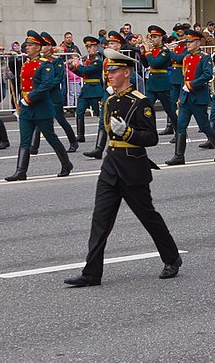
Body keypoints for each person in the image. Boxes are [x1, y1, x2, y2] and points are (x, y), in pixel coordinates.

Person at [62, 51, 181, 287]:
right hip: (111, 167)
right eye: (108, 71)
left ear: (127, 73)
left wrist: (128, 133)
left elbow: (151, 138)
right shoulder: (111, 100)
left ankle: (172, 258)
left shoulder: (140, 102)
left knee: (148, 217)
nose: (110, 75)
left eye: (114, 71)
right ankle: (91, 273)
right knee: (100, 221)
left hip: (133, 167)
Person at [6, 30, 73, 181]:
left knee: (51, 138)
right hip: (27, 108)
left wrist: (29, 98)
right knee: (25, 140)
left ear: (38, 47)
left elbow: (46, 85)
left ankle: (66, 164)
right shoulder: (25, 64)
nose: (27, 47)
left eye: (30, 45)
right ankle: (20, 171)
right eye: (27, 45)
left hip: (41, 107)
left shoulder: (46, 64)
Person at [165, 26, 215, 166]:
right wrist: (181, 94)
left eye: (191, 42)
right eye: (187, 42)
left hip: (198, 97)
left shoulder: (204, 58)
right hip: (186, 97)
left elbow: (207, 74)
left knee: (204, 126)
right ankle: (179, 155)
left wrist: (192, 84)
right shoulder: (186, 58)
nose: (188, 44)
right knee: (181, 125)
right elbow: (184, 77)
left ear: (198, 43)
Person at [71, 36, 106, 156]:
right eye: (87, 46)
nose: (89, 48)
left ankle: (108, 132)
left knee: (100, 115)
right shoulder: (88, 60)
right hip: (86, 90)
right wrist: (73, 67)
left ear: (96, 47)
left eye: (91, 46)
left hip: (95, 90)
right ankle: (80, 135)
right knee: (79, 112)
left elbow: (86, 70)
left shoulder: (97, 60)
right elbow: (82, 73)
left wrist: (77, 65)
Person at [140, 25, 176, 135]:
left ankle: (180, 131)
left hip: (161, 83)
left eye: (155, 37)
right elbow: (146, 64)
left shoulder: (165, 51)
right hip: (152, 83)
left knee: (169, 110)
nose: (152, 39)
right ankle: (148, 130)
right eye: (151, 37)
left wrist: (147, 52)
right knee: (146, 107)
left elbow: (155, 64)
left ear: (161, 38)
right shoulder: (153, 50)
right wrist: (143, 54)